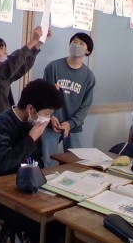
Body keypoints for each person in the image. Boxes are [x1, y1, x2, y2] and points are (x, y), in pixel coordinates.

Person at [0, 26, 51, 146]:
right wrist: (32, 41)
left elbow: (22, 66)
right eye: (1, 48)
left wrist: (38, 45)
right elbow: (10, 65)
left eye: (5, 48)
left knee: (2, 156)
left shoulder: (3, 75)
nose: (6, 52)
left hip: (1, 126)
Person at [0, 78, 63, 175]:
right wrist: (31, 139)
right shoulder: (1, 124)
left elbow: (37, 160)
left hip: (26, 178)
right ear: (30, 109)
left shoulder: (32, 123)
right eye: (46, 114)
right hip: (0, 180)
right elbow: (3, 164)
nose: (48, 119)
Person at [41, 33, 95, 167]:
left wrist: (70, 124)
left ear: (88, 51)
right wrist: (51, 116)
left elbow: (85, 106)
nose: (77, 45)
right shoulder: (53, 67)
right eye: (74, 42)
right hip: (50, 124)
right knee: (48, 162)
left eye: (82, 43)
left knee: (75, 164)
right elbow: (44, 96)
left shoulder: (89, 76)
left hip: (74, 126)